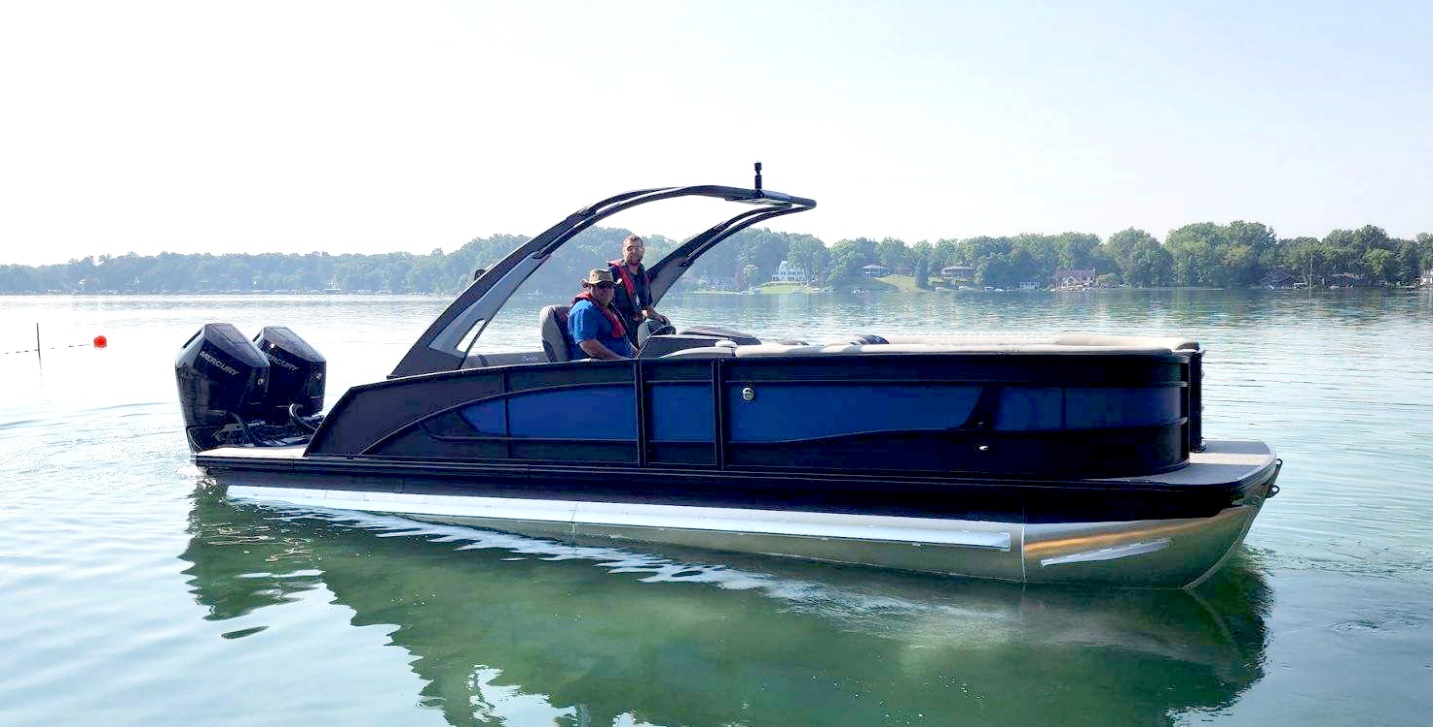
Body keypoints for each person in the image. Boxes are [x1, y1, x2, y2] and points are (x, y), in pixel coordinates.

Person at [607, 234, 670, 345]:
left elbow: (647, 309)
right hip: (616, 329)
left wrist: (661, 319)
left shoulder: (642, 275)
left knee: (665, 326)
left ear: (643, 251)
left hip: (636, 329)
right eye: (630, 248)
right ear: (623, 251)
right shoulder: (613, 273)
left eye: (638, 248)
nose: (634, 251)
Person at [567, 269, 633, 360]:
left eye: (610, 286)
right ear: (591, 287)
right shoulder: (584, 310)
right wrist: (619, 359)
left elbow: (620, 339)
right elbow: (588, 345)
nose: (606, 290)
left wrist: (637, 354)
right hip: (599, 369)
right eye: (601, 286)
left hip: (624, 365)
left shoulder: (607, 309)